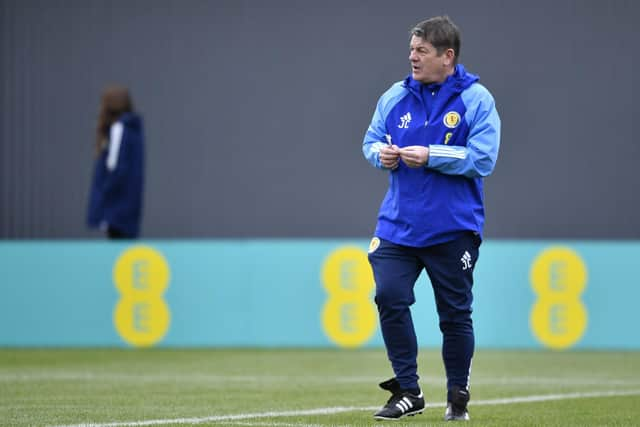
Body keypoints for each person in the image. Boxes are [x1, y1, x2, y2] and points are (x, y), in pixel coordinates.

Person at [362, 16, 500, 421]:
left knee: (454, 315)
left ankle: (458, 393)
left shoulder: (476, 99)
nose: (412, 57)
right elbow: (370, 140)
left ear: (448, 56)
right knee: (388, 295)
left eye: (421, 50)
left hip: (453, 228)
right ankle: (408, 389)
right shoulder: (394, 96)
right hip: (398, 226)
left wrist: (431, 155)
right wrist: (380, 155)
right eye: (411, 49)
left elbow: (484, 158)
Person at [87, 85, 145, 239]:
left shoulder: (120, 128)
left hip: (116, 208)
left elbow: (115, 168)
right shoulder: (133, 129)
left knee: (116, 248)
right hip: (128, 207)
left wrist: (103, 195)